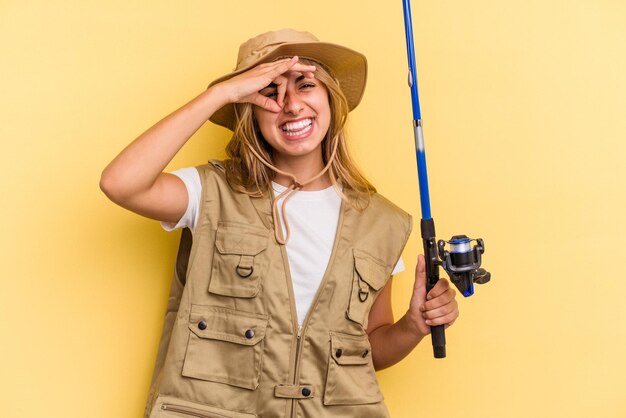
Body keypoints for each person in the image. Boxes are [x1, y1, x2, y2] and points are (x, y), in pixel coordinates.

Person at [100, 28, 459, 418]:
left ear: (331, 99)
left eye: (306, 85)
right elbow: (121, 183)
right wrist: (220, 94)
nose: (290, 105)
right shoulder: (210, 192)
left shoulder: (382, 223)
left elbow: (369, 348)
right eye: (269, 91)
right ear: (248, 108)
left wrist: (412, 325)